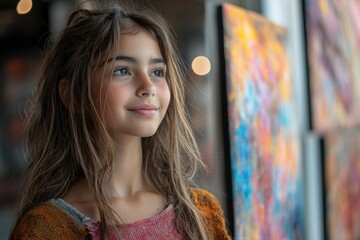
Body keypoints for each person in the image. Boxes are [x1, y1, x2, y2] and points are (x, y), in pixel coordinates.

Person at [10, 1, 231, 239]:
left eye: (157, 72)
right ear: (74, 94)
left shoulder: (201, 213)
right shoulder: (45, 230)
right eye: (122, 70)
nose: (148, 87)